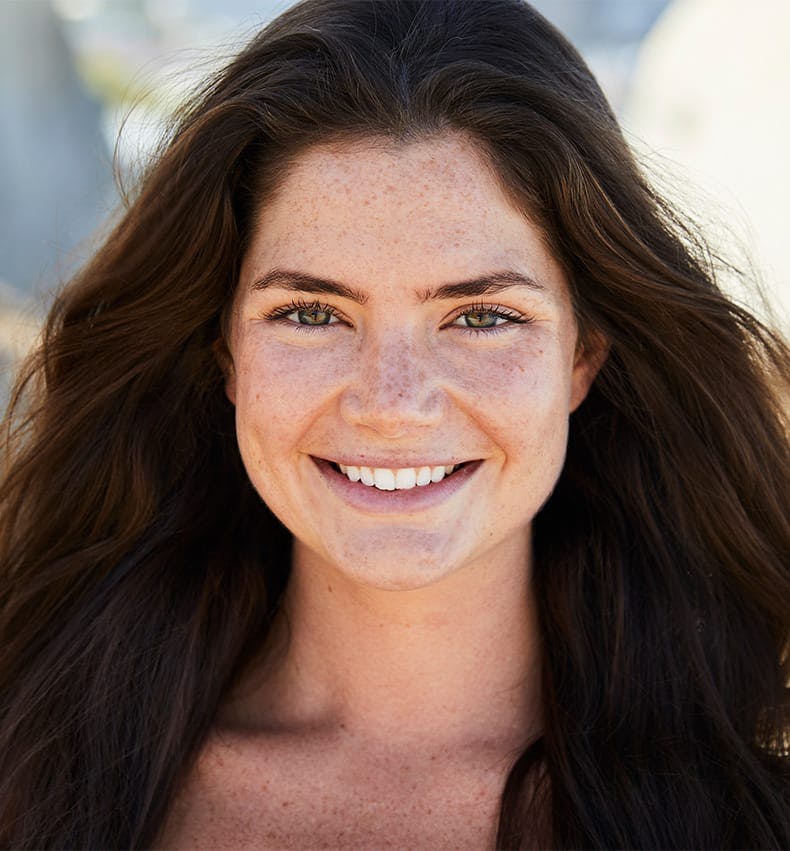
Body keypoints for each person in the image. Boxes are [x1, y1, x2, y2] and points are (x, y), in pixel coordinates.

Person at [0, 0, 787, 847]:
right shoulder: (32, 780)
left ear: (583, 356)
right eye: (311, 313)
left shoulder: (748, 817)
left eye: (482, 317)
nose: (392, 402)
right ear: (224, 351)